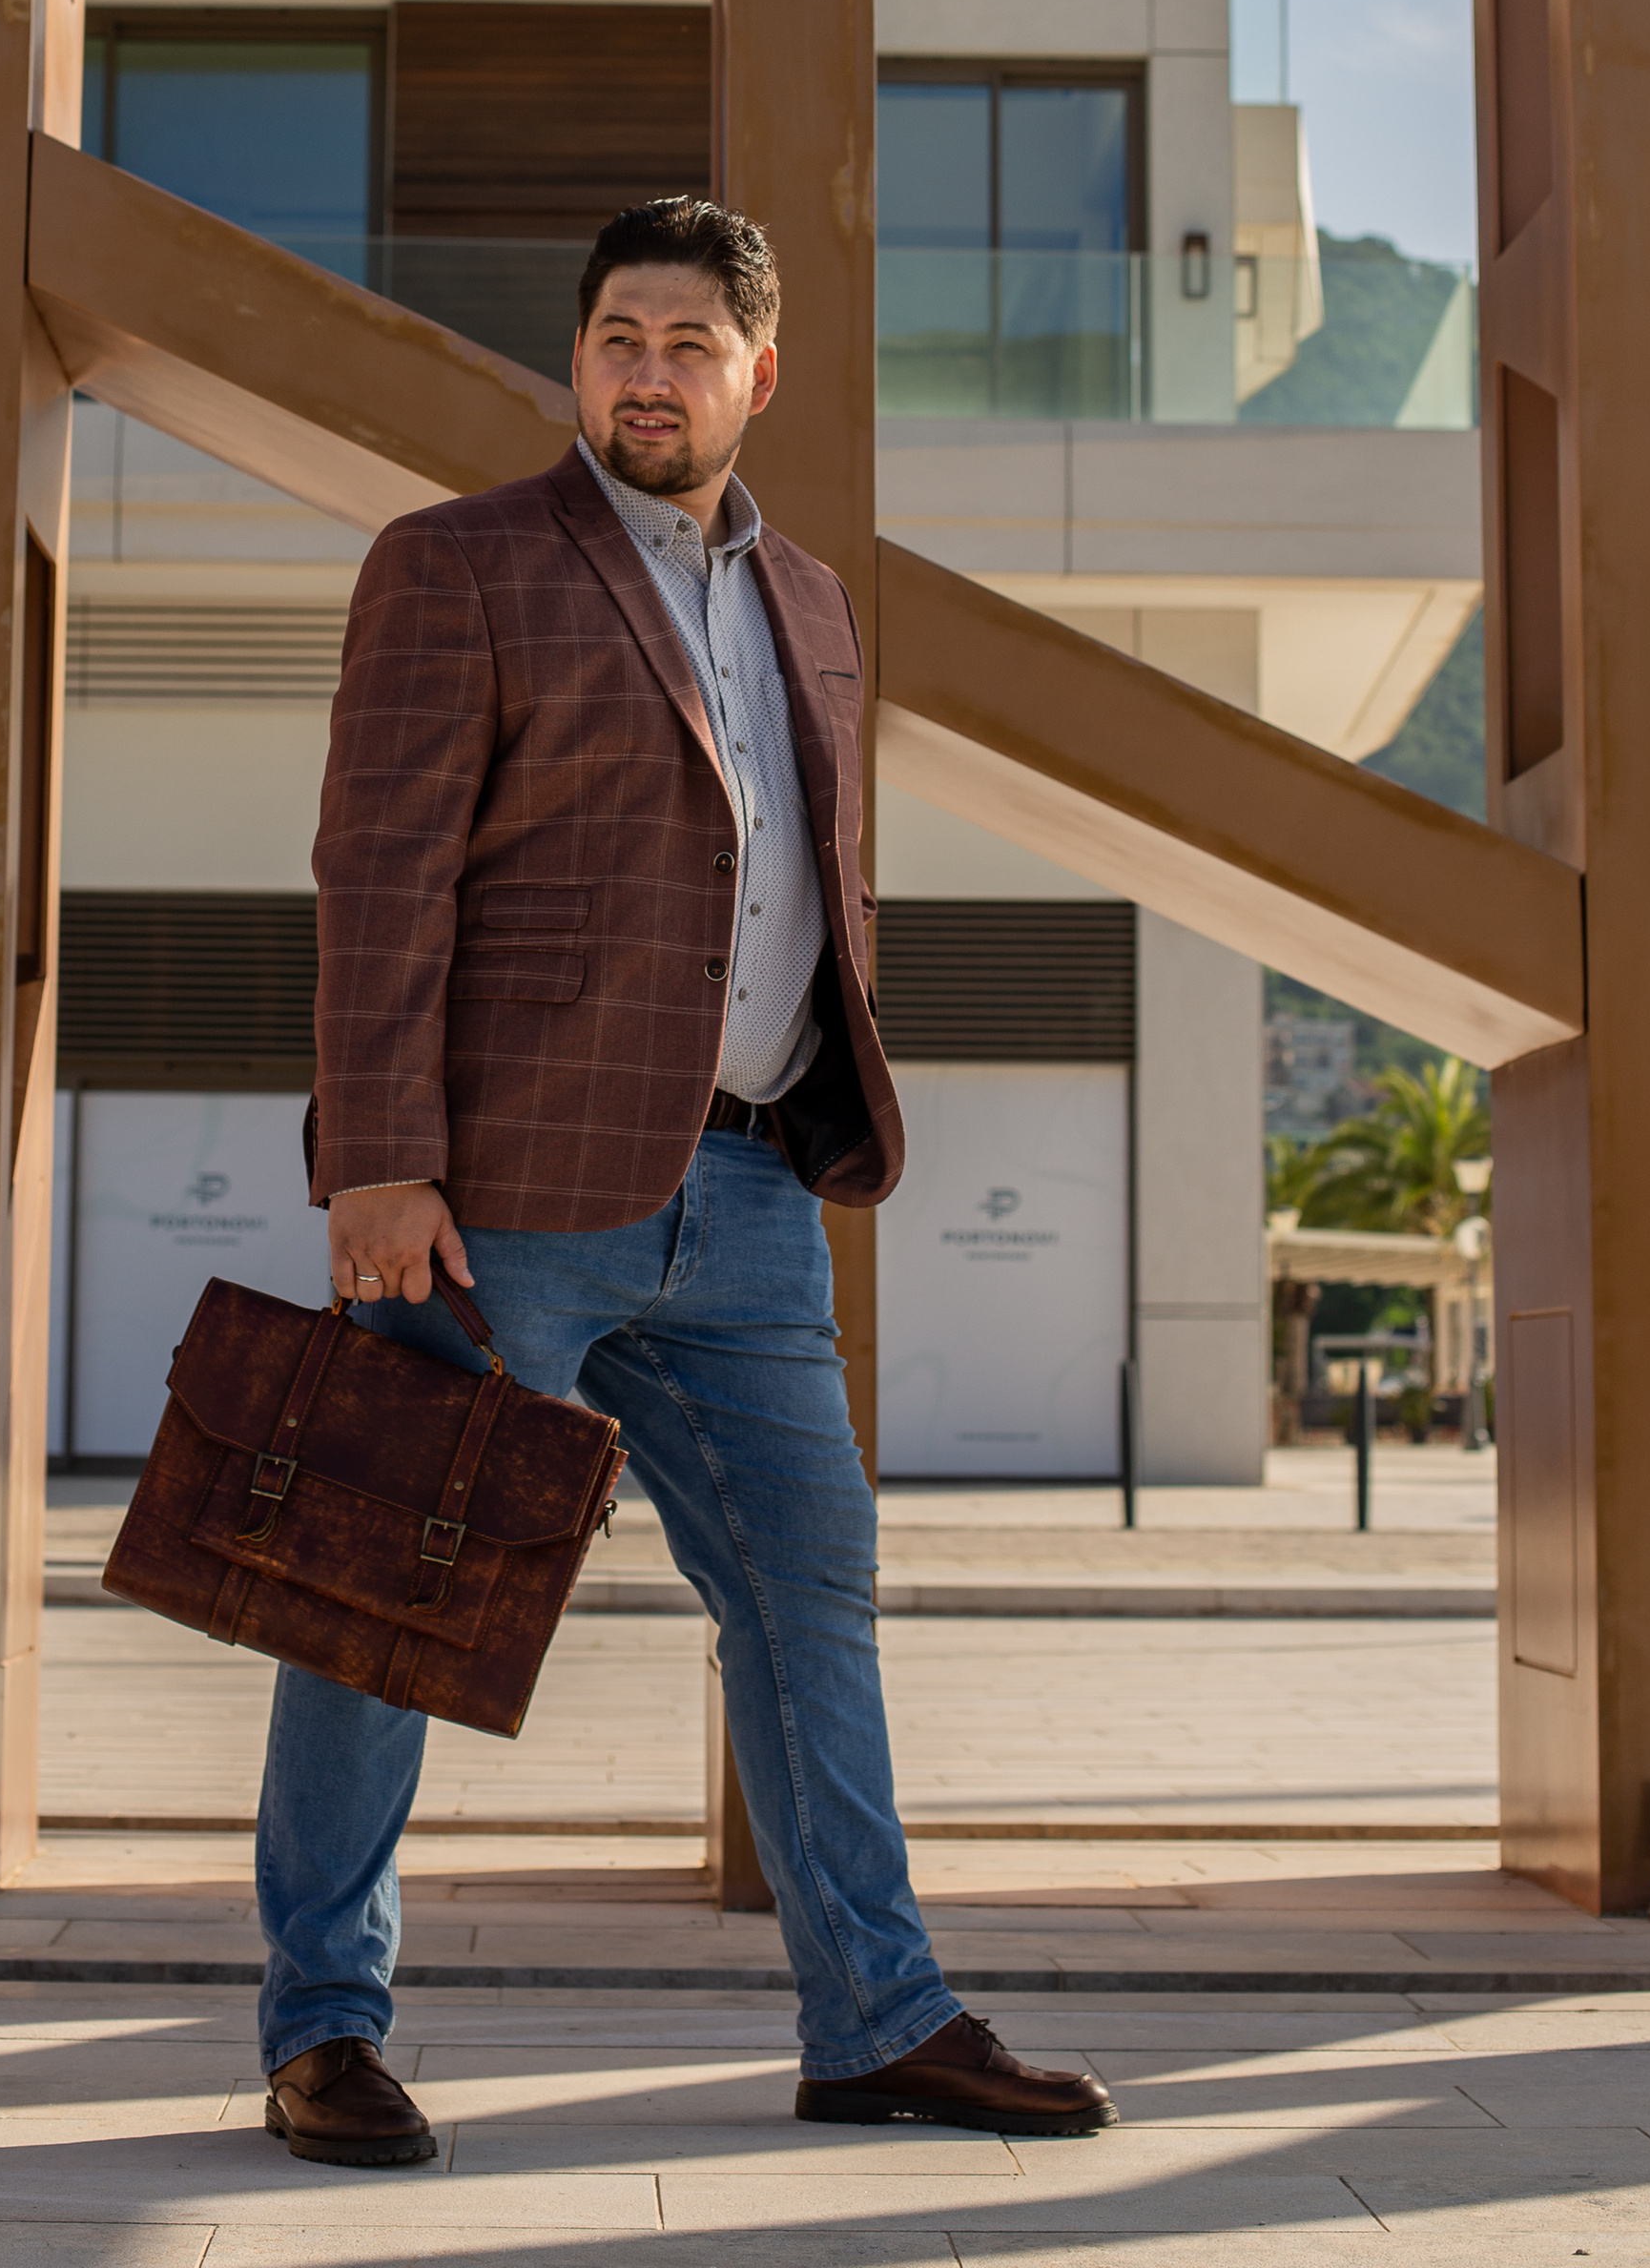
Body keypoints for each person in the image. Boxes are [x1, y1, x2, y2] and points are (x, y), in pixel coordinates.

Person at [257, 194, 1119, 2169]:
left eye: (687, 344)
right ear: (576, 362)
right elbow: (374, 876)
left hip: (745, 1201)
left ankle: (878, 2018)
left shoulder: (808, 597)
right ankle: (322, 2028)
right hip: (499, 1200)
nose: (649, 374)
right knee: (387, 1593)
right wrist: (376, 1160)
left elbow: (805, 866)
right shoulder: (454, 564)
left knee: (812, 1590)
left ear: (758, 373)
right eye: (617, 338)